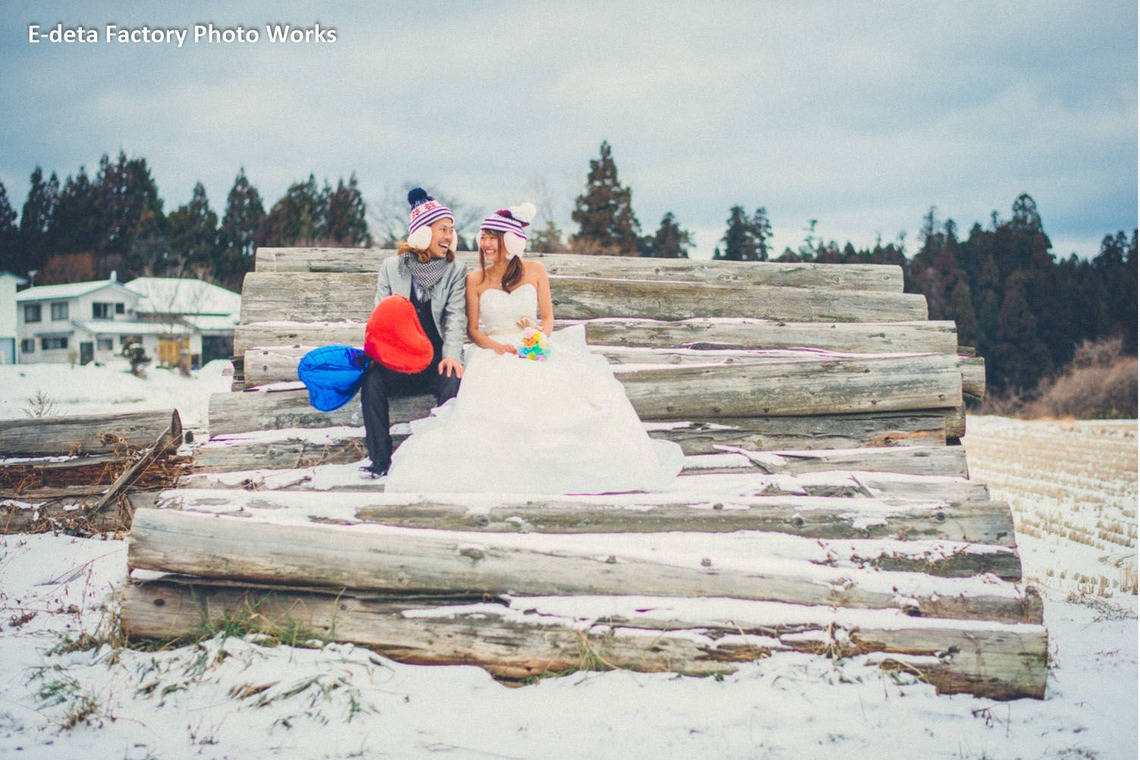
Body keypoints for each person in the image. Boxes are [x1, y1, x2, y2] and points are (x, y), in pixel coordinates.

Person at [384, 203, 684, 494]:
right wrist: (498, 347)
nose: (487, 244)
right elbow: (473, 330)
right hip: (495, 351)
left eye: (493, 238)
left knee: (558, 395)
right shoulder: (475, 279)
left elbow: (549, 317)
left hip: (533, 346)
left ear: (511, 241)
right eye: (484, 238)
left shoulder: (536, 270)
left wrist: (538, 338)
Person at [359, 188, 467, 478]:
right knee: (372, 382)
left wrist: (452, 356)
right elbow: (380, 317)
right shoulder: (391, 268)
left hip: (434, 360)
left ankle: (440, 456)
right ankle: (380, 461)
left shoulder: (455, 271)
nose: (449, 236)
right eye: (442, 229)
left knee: (453, 378)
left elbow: (456, 317)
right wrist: (380, 355)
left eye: (451, 230)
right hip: (400, 361)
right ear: (421, 234)